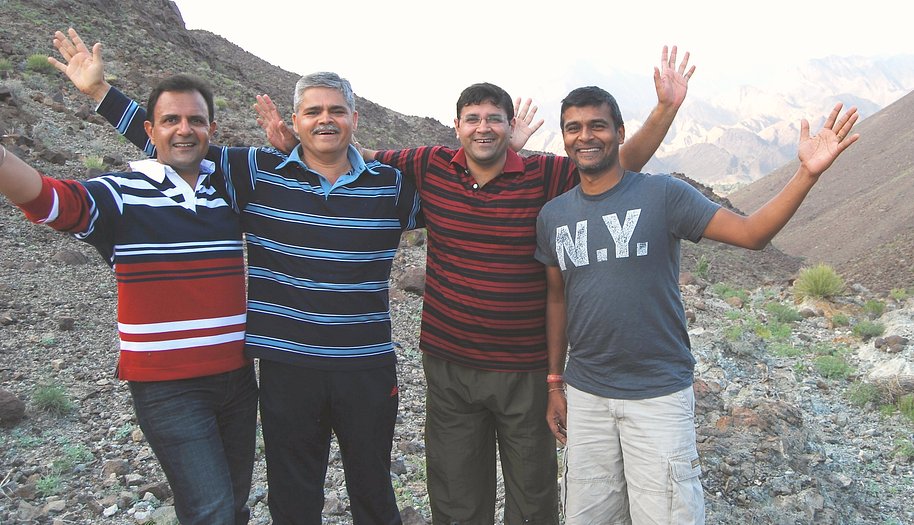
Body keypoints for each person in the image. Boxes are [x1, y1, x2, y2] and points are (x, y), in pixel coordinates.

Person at [255, 47, 693, 524]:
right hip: (449, 365)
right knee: (456, 491)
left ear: (510, 127)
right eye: (473, 119)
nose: (483, 127)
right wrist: (296, 145)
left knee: (532, 493)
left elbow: (617, 163)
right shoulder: (427, 164)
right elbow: (355, 157)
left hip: (523, 367)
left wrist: (665, 109)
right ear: (457, 126)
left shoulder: (545, 174)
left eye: (495, 119)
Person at [51, 28, 421, 524]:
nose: (325, 120)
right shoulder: (256, 173)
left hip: (367, 365)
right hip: (287, 368)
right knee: (293, 492)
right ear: (295, 121)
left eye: (336, 111)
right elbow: (173, 139)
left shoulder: (392, 186)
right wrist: (99, 93)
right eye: (313, 111)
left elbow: (464, 204)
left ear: (355, 119)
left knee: (374, 488)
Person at [534, 86, 859, 524]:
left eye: (597, 125)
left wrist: (807, 174)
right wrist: (556, 382)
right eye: (574, 128)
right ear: (564, 137)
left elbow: (752, 234)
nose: (585, 136)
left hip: (658, 395)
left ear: (619, 132)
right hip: (587, 395)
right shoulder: (553, 215)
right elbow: (557, 298)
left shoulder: (662, 194)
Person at [0, 73, 258, 525]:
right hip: (169, 388)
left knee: (234, 503)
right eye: (170, 120)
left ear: (211, 130)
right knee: (210, 509)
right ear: (149, 130)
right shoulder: (118, 194)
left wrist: (102, 94)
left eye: (196, 120)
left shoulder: (226, 193)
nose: (184, 129)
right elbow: (49, 200)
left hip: (238, 379)